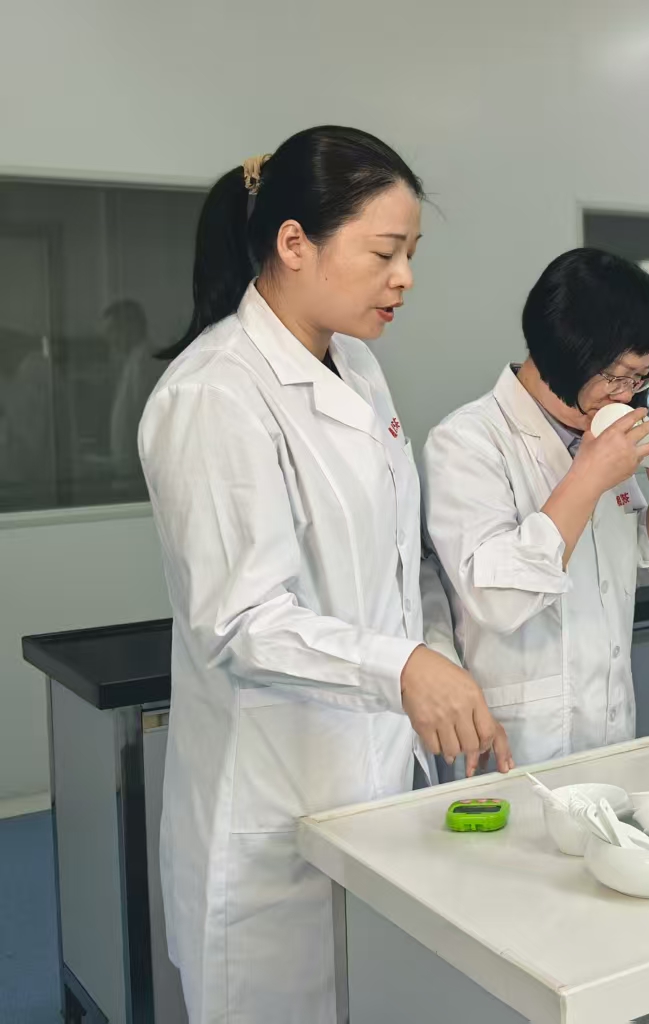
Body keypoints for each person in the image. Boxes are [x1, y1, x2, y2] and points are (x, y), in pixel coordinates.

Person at [139, 126, 511, 1024]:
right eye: (384, 253)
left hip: (372, 785)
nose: (405, 278)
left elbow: (393, 560)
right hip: (274, 811)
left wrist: (434, 660)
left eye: (412, 253)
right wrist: (402, 670)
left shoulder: (360, 368)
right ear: (294, 242)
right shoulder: (213, 394)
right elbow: (241, 623)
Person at [422, 248, 649, 766]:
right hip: (519, 737)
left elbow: (637, 570)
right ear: (565, 351)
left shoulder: (604, 430)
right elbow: (497, 601)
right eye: (618, 376)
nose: (628, 394)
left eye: (641, 378)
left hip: (611, 724)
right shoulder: (468, 442)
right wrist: (588, 476)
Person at [104, 299, 162, 480]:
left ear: (131, 326)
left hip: (139, 473)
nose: (109, 339)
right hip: (131, 470)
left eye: (112, 330)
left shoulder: (145, 361)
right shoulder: (136, 360)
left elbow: (145, 420)